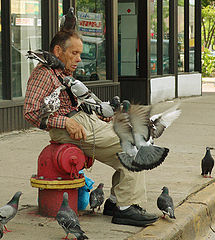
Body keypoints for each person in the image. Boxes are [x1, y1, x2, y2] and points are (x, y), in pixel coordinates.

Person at [24, 30, 158, 227]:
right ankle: (126, 209)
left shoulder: (64, 73)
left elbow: (83, 103)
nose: (79, 59)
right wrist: (65, 122)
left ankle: (115, 203)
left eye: (80, 53)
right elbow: (30, 112)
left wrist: (108, 115)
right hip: (70, 126)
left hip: (85, 121)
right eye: (74, 53)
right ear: (58, 50)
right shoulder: (44, 73)